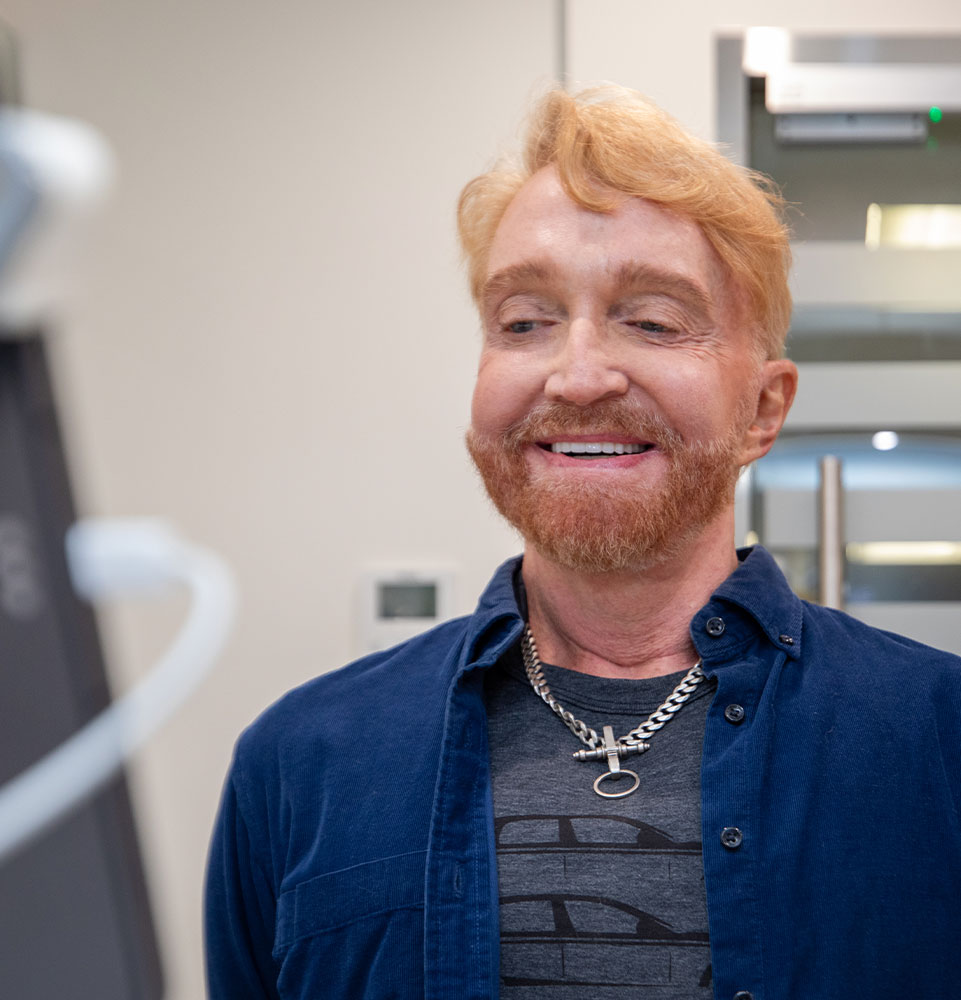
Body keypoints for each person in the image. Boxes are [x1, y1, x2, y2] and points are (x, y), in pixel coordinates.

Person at [204, 86, 961, 1000]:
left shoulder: (937, 738)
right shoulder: (300, 760)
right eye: (524, 322)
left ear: (763, 409)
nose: (578, 376)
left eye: (652, 321)